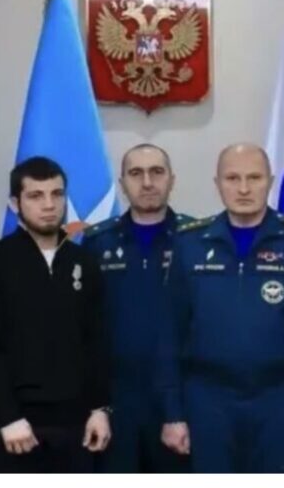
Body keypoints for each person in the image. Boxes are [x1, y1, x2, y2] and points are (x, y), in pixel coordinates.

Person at [158, 143, 284, 473]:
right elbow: (169, 334)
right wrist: (173, 414)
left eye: (254, 178)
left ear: (270, 181)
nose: (243, 188)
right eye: (233, 178)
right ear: (217, 184)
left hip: (283, 399)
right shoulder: (189, 244)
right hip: (208, 400)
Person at [0, 156, 111, 473]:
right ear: (14, 203)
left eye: (57, 194)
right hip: (15, 427)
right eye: (36, 195)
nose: (48, 205)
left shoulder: (84, 262)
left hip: (77, 426)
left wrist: (99, 408)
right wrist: (8, 416)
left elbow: (96, 341)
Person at [82, 144, 190, 473]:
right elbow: (85, 327)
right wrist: (96, 405)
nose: (147, 182)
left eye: (156, 172)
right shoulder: (97, 242)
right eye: (136, 173)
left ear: (172, 179)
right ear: (122, 183)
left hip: (181, 401)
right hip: (117, 401)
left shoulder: (197, 239)